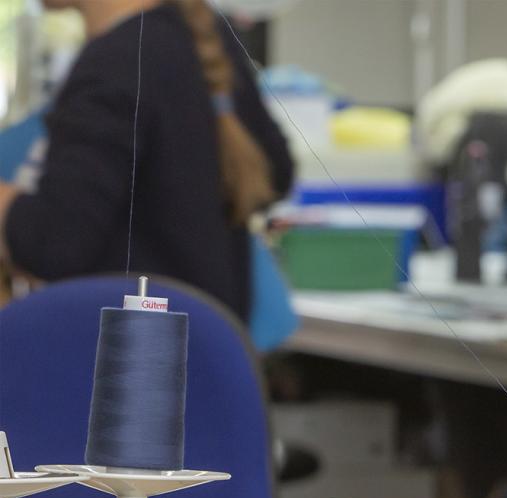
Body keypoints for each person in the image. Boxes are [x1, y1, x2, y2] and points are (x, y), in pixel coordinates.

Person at [0, 0, 293, 322]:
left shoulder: (115, 60)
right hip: (205, 342)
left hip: (132, 351)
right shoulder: (203, 36)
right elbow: (276, 173)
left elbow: (54, 245)